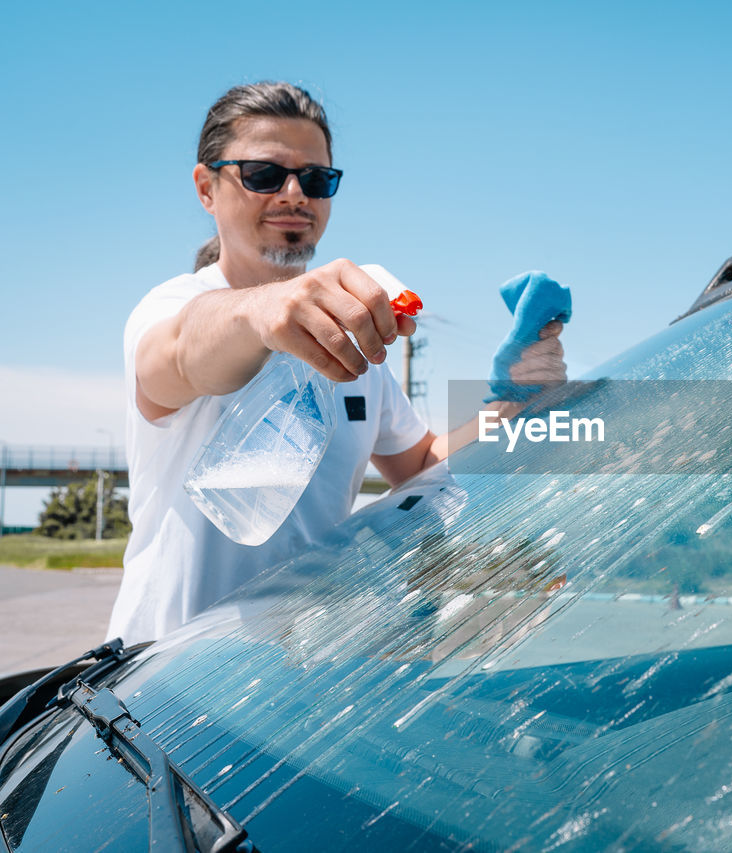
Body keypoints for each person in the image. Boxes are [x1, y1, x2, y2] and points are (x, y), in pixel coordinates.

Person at [108, 81, 566, 645]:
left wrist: (513, 403)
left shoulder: (350, 337)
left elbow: (421, 464)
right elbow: (176, 356)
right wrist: (266, 308)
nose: (295, 194)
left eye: (317, 179)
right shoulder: (173, 307)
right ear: (207, 188)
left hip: (296, 678)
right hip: (156, 691)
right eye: (264, 175)